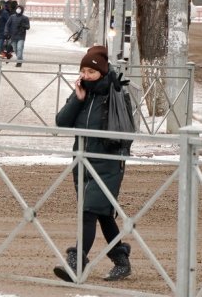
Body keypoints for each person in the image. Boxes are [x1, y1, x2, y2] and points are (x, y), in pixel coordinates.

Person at [53, 45, 131, 283]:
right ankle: (121, 260)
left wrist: (116, 158)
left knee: (88, 213)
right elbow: (62, 122)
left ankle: (76, 262)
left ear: (103, 72)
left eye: (91, 71)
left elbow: (127, 131)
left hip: (107, 164)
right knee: (102, 215)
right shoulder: (81, 93)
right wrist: (77, 100)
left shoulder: (116, 93)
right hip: (82, 162)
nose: (86, 76)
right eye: (83, 70)